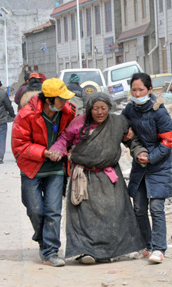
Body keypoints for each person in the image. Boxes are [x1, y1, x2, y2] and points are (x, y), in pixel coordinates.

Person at [48, 93, 146, 264]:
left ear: (109, 108)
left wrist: (139, 152)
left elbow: (131, 141)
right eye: (95, 109)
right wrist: (57, 149)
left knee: (115, 212)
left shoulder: (118, 123)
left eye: (103, 108)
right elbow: (64, 139)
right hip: (84, 176)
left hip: (109, 176)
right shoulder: (79, 122)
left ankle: (111, 250)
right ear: (89, 109)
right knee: (84, 216)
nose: (99, 112)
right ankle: (85, 251)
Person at [11, 78, 77, 267]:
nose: (65, 103)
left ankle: (50, 251)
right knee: (35, 210)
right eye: (61, 99)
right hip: (32, 169)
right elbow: (19, 146)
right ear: (49, 100)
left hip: (56, 170)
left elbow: (71, 135)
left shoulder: (68, 112)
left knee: (53, 211)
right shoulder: (25, 116)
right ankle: (43, 239)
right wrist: (44, 152)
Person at [122, 73, 172, 264]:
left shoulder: (159, 111)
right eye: (134, 90)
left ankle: (159, 248)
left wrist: (150, 158)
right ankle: (147, 244)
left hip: (159, 166)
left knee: (157, 208)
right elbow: (124, 132)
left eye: (141, 90)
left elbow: (168, 142)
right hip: (139, 166)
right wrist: (134, 148)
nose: (137, 94)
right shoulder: (129, 110)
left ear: (149, 90)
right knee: (139, 208)